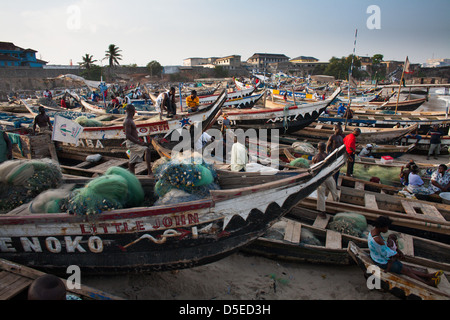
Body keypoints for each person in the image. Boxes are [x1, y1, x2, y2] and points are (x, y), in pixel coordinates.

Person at [368, 216, 442, 287]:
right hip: (382, 262)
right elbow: (387, 254)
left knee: (406, 268)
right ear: (381, 227)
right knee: (407, 271)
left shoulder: (372, 232)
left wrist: (397, 251)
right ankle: (427, 283)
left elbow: (385, 248)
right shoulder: (378, 239)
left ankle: (427, 276)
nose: (387, 229)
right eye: (386, 227)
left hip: (377, 257)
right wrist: (398, 255)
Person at [312, 142, 339, 218]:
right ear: (324, 148)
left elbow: (314, 169)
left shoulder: (315, 157)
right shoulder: (328, 156)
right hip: (329, 176)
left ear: (318, 148)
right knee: (334, 192)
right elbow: (333, 166)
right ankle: (337, 206)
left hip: (321, 177)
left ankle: (322, 212)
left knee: (321, 195)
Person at [124, 104, 152, 175]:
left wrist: (138, 141)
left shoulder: (130, 120)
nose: (134, 113)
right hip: (132, 143)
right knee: (147, 150)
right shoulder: (127, 121)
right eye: (134, 111)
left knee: (132, 162)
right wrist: (139, 143)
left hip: (134, 143)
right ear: (131, 111)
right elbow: (128, 135)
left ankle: (131, 176)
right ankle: (150, 172)